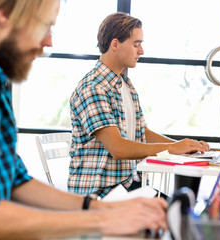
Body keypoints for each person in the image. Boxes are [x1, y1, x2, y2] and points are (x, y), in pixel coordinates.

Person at [0, 1, 169, 239]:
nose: (49, 42)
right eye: (45, 27)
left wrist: (102, 207)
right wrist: (104, 219)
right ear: (5, 14)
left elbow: (14, 178)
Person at [69, 12, 210, 198]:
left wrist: (183, 146)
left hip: (127, 184)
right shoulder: (93, 88)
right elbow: (117, 148)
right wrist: (172, 149)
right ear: (115, 44)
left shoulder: (125, 85)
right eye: (136, 44)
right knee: (176, 214)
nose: (141, 51)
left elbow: (142, 133)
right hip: (101, 193)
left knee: (181, 208)